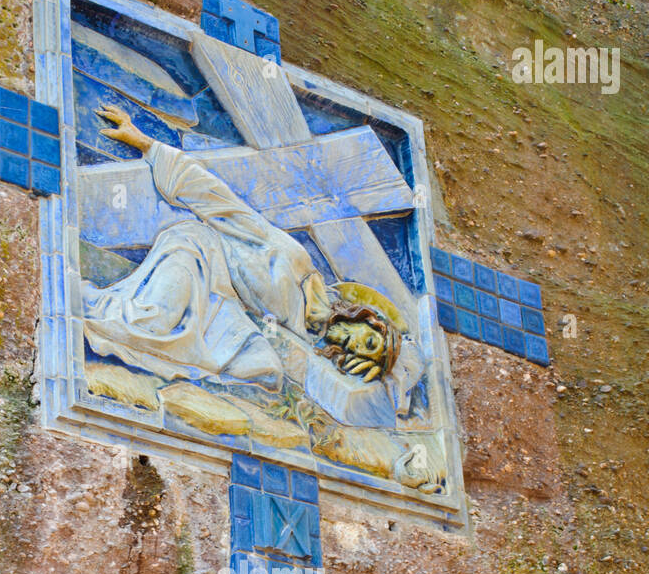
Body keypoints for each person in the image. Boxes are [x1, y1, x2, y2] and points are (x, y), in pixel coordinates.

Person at [82, 106, 418, 408]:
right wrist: (147, 145)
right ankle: (84, 306)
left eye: (362, 357)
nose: (356, 350)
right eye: (369, 341)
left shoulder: (308, 333)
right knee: (154, 322)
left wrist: (383, 369)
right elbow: (226, 205)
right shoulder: (296, 263)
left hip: (221, 301)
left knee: (263, 368)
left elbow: (409, 369)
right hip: (197, 252)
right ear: (362, 318)